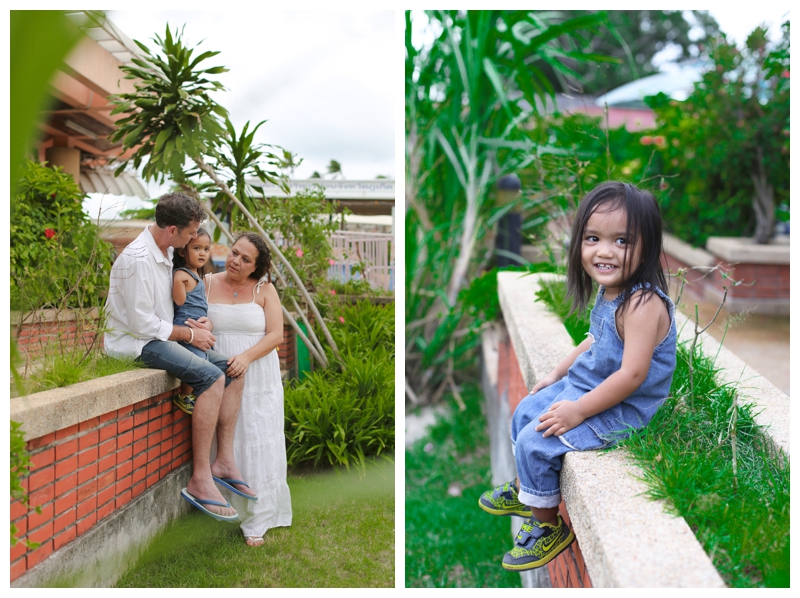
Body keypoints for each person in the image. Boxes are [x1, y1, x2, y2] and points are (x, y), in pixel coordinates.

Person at [478, 181, 677, 571]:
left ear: (649, 246)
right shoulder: (612, 291)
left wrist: (578, 411)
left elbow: (632, 375)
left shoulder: (642, 303)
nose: (604, 251)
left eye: (622, 241)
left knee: (538, 442)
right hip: (591, 386)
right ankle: (529, 490)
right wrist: (557, 371)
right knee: (525, 411)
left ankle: (548, 527)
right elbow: (594, 340)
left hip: (625, 408)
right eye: (593, 238)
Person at [104, 192, 256, 522]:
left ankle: (223, 461)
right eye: (190, 234)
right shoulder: (139, 258)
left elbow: (171, 306)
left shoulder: (165, 252)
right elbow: (141, 323)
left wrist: (199, 323)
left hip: (160, 334)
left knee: (233, 368)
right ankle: (200, 478)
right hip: (137, 343)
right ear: (173, 230)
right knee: (212, 376)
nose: (193, 240)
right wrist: (190, 335)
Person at [206, 232, 292, 547]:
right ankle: (224, 508)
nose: (236, 261)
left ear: (257, 266)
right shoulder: (206, 282)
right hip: (218, 373)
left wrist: (244, 357)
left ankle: (257, 517)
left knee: (256, 437)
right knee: (225, 438)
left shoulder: (264, 290)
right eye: (234, 253)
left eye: (245, 259)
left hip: (256, 375)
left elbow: (275, 335)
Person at [171, 227, 212, 414]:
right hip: (186, 325)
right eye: (197, 248)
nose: (202, 253)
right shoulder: (182, 274)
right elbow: (179, 301)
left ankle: (191, 393)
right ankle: (184, 395)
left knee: (201, 357)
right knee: (194, 358)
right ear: (182, 251)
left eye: (206, 249)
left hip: (197, 327)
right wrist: (178, 281)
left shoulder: (198, 276)